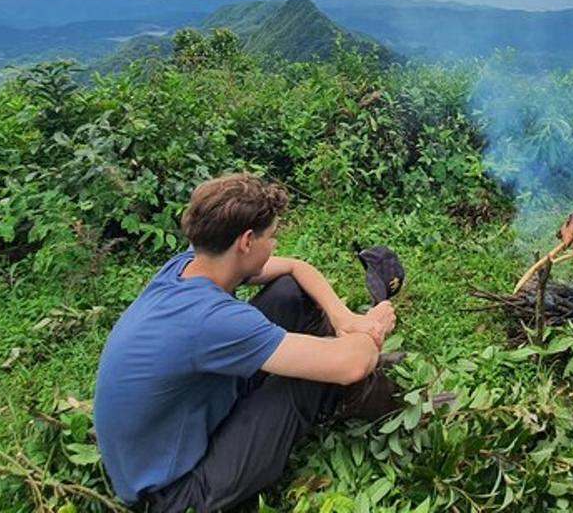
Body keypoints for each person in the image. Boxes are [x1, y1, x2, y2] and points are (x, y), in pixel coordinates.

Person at [94, 173, 399, 512]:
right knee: (312, 377)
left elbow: (296, 268)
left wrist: (345, 318)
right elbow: (350, 366)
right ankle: (399, 407)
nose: (276, 245)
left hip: (160, 446)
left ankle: (342, 359)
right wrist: (373, 328)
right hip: (178, 494)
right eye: (272, 236)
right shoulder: (213, 321)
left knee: (287, 293)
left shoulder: (186, 266)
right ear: (247, 242)